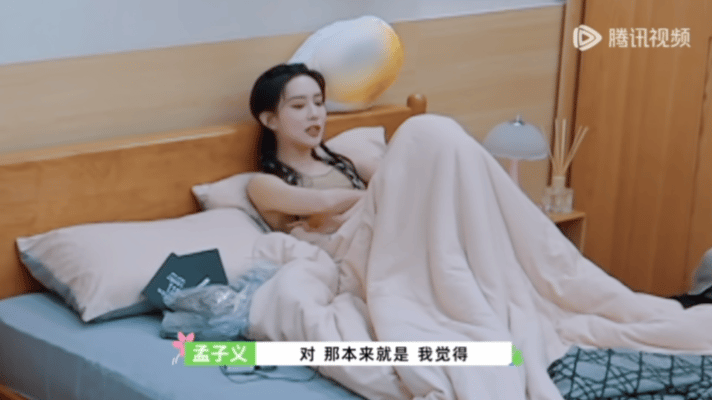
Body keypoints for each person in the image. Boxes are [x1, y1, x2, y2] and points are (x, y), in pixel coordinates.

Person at [247, 63, 377, 234]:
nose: (315, 114)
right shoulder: (262, 184)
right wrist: (374, 196)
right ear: (271, 120)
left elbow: (399, 179)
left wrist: (354, 211)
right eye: (299, 106)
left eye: (318, 102)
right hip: (343, 245)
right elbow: (324, 202)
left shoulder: (344, 160)